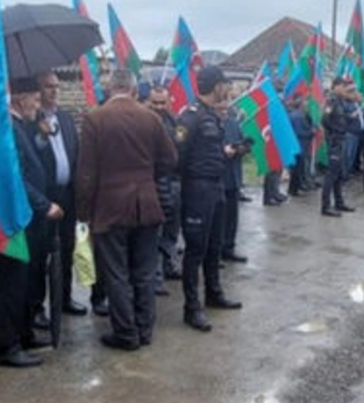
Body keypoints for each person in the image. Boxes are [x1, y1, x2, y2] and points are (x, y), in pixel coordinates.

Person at [77, 69, 178, 350]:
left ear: (109, 89)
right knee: (144, 271)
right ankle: (145, 330)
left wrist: (83, 212)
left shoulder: (94, 119)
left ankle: (125, 333)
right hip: (147, 204)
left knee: (117, 273)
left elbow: (86, 173)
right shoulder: (151, 118)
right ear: (134, 90)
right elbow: (170, 159)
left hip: (110, 208)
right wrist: (146, 177)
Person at [0, 82, 61, 368]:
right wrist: (45, 205)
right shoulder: (8, 128)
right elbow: (15, 177)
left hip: (26, 219)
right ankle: (6, 346)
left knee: (27, 281)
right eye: (35, 97)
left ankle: (24, 334)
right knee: (13, 283)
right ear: (20, 98)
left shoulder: (23, 127)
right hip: (15, 220)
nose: (38, 103)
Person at [175, 66, 243, 332]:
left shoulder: (212, 116)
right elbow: (177, 156)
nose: (226, 90)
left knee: (214, 246)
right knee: (195, 250)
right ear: (215, 86)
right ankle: (192, 308)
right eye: (224, 85)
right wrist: (191, 183)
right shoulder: (190, 117)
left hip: (216, 187)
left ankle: (213, 294)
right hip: (197, 190)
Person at [31, 71, 85, 319]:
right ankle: (37, 306)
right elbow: (30, 158)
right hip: (44, 197)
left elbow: (74, 152)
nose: (53, 91)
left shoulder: (65, 118)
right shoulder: (31, 119)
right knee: (41, 254)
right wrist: (41, 136)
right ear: (38, 90)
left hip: (67, 194)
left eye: (56, 86)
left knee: (66, 248)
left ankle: (64, 298)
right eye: (48, 86)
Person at [146, 85, 183, 283]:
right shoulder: (142, 122)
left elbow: (181, 148)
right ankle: (155, 276)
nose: (159, 106)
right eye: (155, 103)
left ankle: (169, 264)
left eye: (163, 102)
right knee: (153, 233)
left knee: (171, 229)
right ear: (148, 102)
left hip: (173, 183)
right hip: (151, 184)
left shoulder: (174, 122)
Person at [320, 76, 359, 217]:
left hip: (341, 139)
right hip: (334, 141)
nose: (344, 90)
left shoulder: (340, 102)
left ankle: (339, 202)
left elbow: (340, 118)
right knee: (331, 175)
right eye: (343, 87)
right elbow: (324, 120)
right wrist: (334, 132)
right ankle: (325, 207)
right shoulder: (331, 100)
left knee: (338, 174)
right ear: (336, 86)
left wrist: (350, 117)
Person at [220, 102, 248, 262]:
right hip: (219, 177)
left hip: (233, 176)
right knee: (218, 221)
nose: (224, 111)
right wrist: (224, 151)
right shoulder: (212, 124)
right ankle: (215, 253)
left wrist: (243, 148)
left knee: (232, 218)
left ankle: (228, 248)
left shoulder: (233, 123)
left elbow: (242, 141)